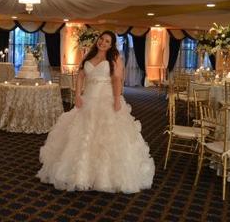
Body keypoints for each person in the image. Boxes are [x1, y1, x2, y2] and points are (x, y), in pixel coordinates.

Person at [37, 31, 154, 193]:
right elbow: (80, 76)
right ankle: (78, 173)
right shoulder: (87, 56)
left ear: (111, 45)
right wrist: (77, 95)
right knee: (79, 134)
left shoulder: (114, 59)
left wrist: (117, 99)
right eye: (101, 39)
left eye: (107, 41)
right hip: (87, 99)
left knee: (106, 138)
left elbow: (117, 79)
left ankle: (104, 177)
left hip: (107, 99)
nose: (103, 43)